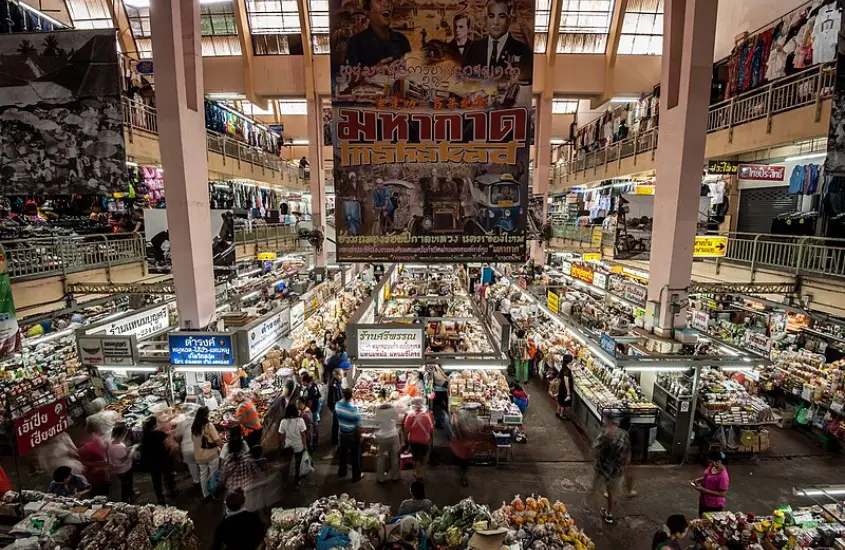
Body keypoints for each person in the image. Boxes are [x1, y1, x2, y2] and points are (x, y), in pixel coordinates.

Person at [463, 0, 532, 80]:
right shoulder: (474, 47)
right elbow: (464, 79)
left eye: (501, 16)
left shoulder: (522, 50)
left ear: (509, 19)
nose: (496, 22)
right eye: (491, 16)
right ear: (486, 19)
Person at [589, 410, 631, 524]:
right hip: (617, 470)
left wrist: (595, 458)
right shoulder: (624, 434)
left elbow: (595, 450)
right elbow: (628, 453)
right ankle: (609, 514)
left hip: (603, 468)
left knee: (594, 487)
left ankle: (588, 506)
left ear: (607, 421)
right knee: (612, 492)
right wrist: (624, 465)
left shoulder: (605, 435)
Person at [344, 0, 411, 68]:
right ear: (367, 11)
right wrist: (375, 72)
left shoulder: (402, 39)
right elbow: (347, 75)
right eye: (379, 0)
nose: (386, 4)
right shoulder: (356, 42)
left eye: (389, 0)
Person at [139, 416, 177, 505]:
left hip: (152, 462)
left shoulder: (145, 436)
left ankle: (160, 497)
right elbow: (168, 445)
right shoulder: (160, 434)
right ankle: (172, 490)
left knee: (156, 480)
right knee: (168, 476)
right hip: (162, 459)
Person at [219, 429, 263, 498]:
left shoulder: (228, 461)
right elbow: (256, 473)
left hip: (232, 490)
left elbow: (222, 477)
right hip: (246, 488)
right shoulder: (248, 458)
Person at [192, 406, 223, 500]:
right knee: (213, 474)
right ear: (206, 415)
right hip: (211, 454)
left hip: (199, 455)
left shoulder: (194, 426)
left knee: (203, 475)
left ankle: (205, 494)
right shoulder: (208, 425)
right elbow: (217, 440)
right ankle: (214, 494)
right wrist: (223, 447)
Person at [335, 388, 364, 482]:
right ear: (351, 396)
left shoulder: (337, 405)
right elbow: (359, 426)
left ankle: (342, 472)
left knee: (342, 454)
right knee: (355, 456)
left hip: (342, 433)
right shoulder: (353, 410)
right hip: (352, 435)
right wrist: (362, 435)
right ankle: (356, 476)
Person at [278, 403, 308, 490]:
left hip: (288, 447)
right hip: (299, 447)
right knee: (298, 465)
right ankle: (296, 483)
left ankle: (284, 483)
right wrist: (305, 445)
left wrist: (282, 444)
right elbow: (303, 435)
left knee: (286, 466)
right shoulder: (300, 421)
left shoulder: (283, 422)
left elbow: (281, 435)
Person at [78, 419, 110, 497]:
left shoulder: (86, 447)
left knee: (96, 493)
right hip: (102, 473)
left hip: (94, 475)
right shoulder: (97, 438)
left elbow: (83, 461)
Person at [374, 389, 400, 483]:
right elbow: (397, 419)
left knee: (380, 456)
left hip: (382, 437)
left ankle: (381, 478)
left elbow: (376, 423)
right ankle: (393, 476)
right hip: (393, 435)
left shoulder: (378, 410)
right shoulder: (392, 408)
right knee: (394, 456)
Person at [403, 398, 434, 480]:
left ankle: (418, 472)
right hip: (425, 440)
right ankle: (422, 471)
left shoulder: (410, 415)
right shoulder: (426, 416)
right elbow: (431, 428)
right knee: (425, 455)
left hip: (413, 440)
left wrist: (404, 440)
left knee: (416, 457)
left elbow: (406, 429)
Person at [693, 451, 730, 517]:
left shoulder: (723, 477)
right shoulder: (712, 466)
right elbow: (707, 476)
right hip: (703, 500)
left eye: (711, 461)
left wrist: (703, 490)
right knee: (701, 517)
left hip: (713, 505)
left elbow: (723, 493)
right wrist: (699, 480)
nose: (710, 463)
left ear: (719, 462)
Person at [108, 424, 137, 502]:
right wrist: (133, 449)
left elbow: (123, 451)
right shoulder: (118, 447)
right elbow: (126, 459)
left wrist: (129, 448)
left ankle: (131, 494)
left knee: (127, 484)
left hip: (119, 469)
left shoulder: (112, 442)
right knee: (126, 486)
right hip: (124, 469)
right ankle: (126, 501)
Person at [175, 414, 200, 488]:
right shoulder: (196, 419)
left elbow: (177, 436)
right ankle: (205, 481)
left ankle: (196, 481)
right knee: (202, 464)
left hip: (187, 447)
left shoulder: (181, 422)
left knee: (192, 465)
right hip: (197, 445)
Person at [328, 368, 345, 447]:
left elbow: (340, 392)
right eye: (341, 375)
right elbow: (334, 398)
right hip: (336, 406)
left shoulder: (337, 382)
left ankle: (336, 439)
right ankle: (335, 441)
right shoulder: (333, 385)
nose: (342, 376)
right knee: (336, 424)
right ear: (337, 375)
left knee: (337, 424)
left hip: (338, 405)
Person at [556, 354, 574, 418]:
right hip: (564, 388)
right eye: (572, 360)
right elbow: (566, 381)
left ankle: (557, 411)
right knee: (563, 402)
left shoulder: (563, 366)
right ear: (569, 361)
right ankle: (561, 414)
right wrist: (568, 391)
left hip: (561, 386)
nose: (572, 361)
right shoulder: (567, 370)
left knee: (559, 400)